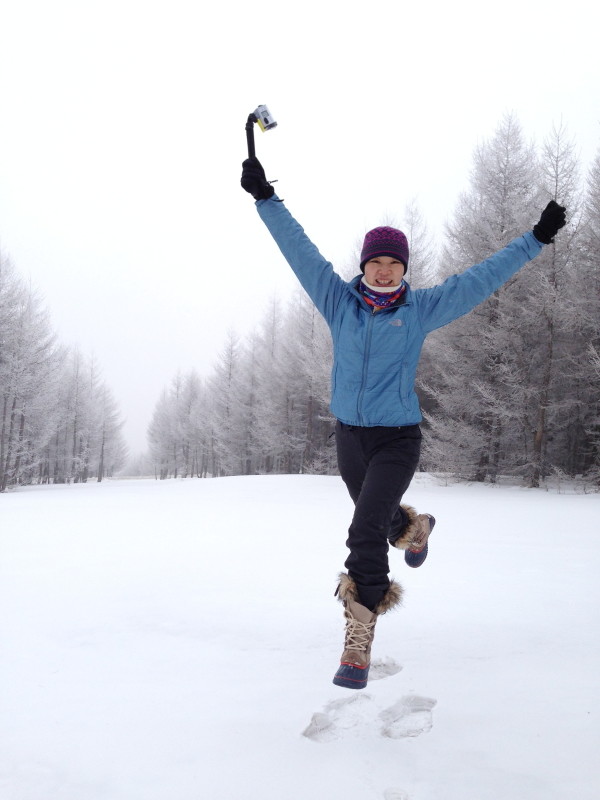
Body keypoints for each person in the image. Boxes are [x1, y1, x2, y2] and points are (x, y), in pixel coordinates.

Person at [240, 156, 566, 690]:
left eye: (394, 262)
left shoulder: (420, 310)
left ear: (404, 269)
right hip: (349, 436)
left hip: (397, 439)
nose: (385, 270)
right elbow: (299, 250)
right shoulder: (337, 301)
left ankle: (357, 641)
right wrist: (265, 198)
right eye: (377, 262)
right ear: (364, 265)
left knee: (364, 529)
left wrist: (535, 238)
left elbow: (482, 278)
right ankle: (415, 530)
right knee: (382, 520)